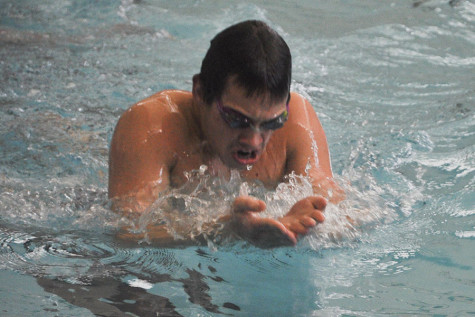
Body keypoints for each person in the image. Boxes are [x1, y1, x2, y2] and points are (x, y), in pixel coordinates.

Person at [109, 20, 343, 248]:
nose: (254, 141)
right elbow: (127, 231)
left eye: (272, 122)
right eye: (237, 119)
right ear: (200, 92)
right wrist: (225, 229)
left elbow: (344, 214)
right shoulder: (152, 126)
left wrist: (312, 224)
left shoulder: (297, 120)